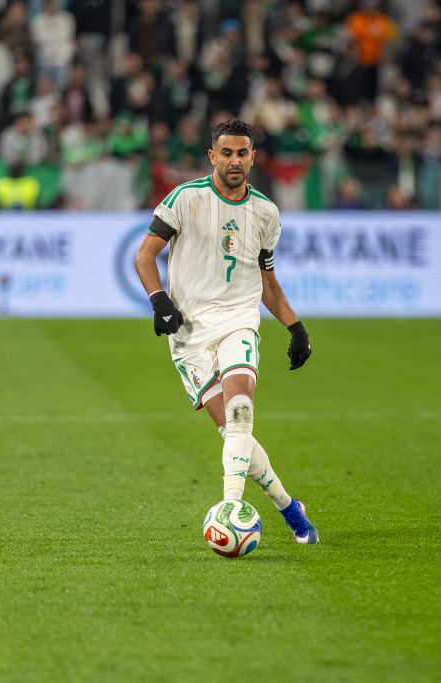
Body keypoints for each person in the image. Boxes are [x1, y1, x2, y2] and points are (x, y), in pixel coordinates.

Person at [134, 117, 319, 544]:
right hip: (191, 333)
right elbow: (145, 257)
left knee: (240, 414)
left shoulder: (265, 213)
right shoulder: (184, 199)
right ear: (212, 156)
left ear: (253, 157)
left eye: (243, 153)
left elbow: (267, 281)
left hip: (238, 319)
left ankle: (230, 507)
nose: (235, 161)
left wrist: (295, 327)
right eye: (227, 153)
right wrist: (159, 301)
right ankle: (289, 506)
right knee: (234, 435)